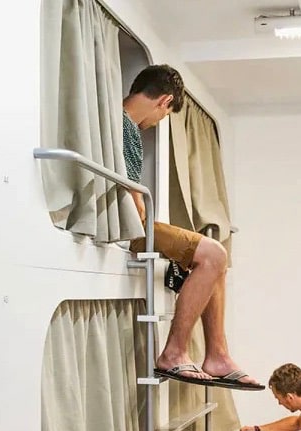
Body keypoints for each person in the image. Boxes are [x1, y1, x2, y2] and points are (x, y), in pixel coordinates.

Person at [121, 64, 262, 391]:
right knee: (213, 255)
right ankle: (174, 352)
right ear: (164, 101)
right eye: (164, 115)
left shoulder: (119, 124)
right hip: (131, 226)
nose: (156, 123)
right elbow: (134, 204)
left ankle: (217, 354)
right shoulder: (125, 126)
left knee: (217, 262)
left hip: (134, 222)